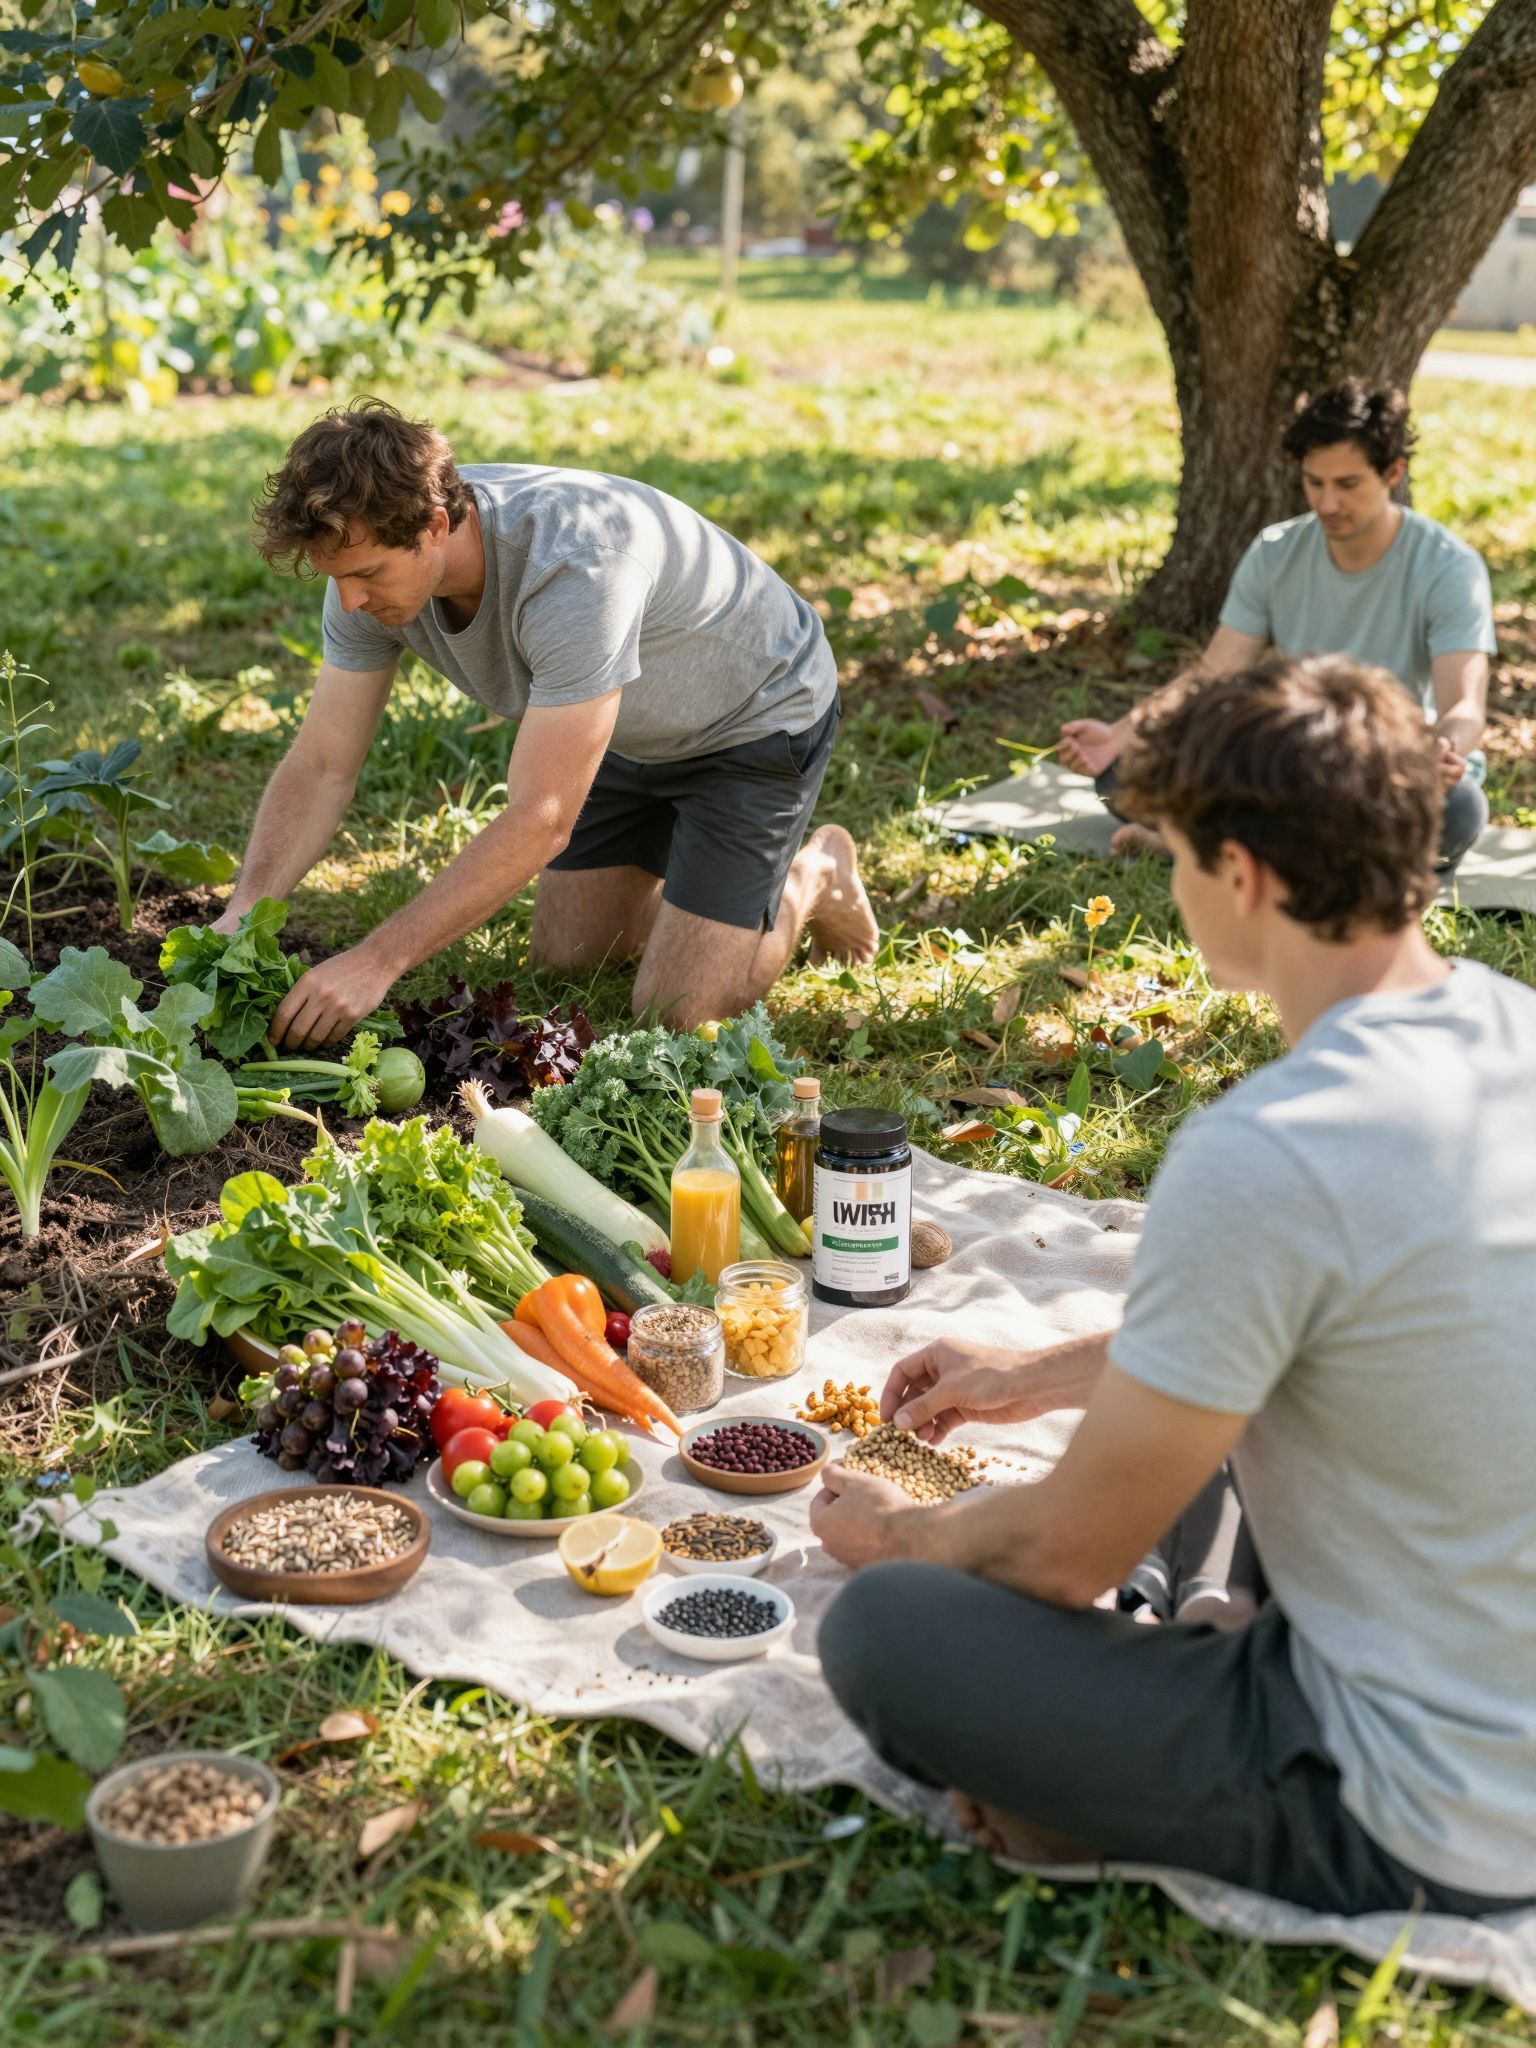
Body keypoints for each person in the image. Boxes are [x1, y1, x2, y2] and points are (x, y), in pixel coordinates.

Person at [814, 653, 1536, 1917]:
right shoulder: (1510, 1025)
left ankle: (1078, 1793)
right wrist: (1028, 1374)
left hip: (1433, 1810)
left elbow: (1060, 1552)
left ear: (1241, 876)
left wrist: (899, 1536)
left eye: (1178, 856)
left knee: (886, 1631)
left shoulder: (1273, 1146)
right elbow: (1343, 1320)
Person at [216, 399, 878, 1048]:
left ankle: (813, 872)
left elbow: (542, 817)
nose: (350, 599)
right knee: (571, 959)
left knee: (679, 1014)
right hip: (614, 722)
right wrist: (246, 910)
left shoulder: (573, 571)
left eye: (366, 575)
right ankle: (709, 898)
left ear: (436, 525)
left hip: (752, 719)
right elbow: (322, 764)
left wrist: (376, 960)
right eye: (336, 578)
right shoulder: (363, 573)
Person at [1060, 380, 1497, 870]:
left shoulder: (1448, 566)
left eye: (1347, 484)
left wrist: (1438, 752)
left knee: (1458, 813)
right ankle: (1307, 853)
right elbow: (1212, 675)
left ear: (1393, 472)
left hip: (1388, 769)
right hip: (1290, 765)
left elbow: (1464, 707)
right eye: (1315, 482)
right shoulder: (1275, 552)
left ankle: (1212, 844)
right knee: (1121, 776)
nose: (1327, 503)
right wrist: (1118, 735)